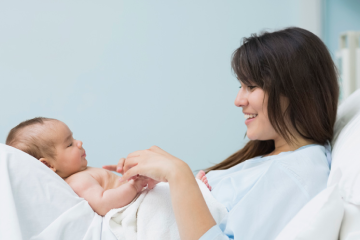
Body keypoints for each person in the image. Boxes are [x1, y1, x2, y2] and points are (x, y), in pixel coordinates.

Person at [103, 27, 339, 239]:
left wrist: (177, 174)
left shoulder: (298, 173)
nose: (238, 100)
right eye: (240, 86)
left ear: (295, 91)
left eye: (252, 86)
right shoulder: (272, 159)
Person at [6, 117, 150, 216]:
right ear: (47, 165)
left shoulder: (81, 173)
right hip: (137, 206)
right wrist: (134, 185)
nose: (79, 142)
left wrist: (128, 174)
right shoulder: (77, 181)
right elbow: (104, 203)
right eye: (69, 144)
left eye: (73, 138)